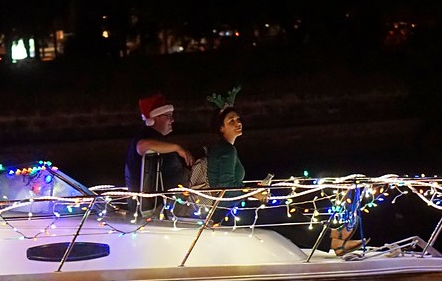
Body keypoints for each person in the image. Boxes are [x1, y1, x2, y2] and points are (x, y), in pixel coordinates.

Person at [204, 103, 363, 255]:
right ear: (221, 128)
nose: (237, 123)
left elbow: (230, 184)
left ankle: (334, 243)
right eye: (231, 121)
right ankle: (334, 235)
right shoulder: (226, 150)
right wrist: (254, 193)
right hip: (226, 214)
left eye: (238, 119)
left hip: (228, 209)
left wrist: (254, 191)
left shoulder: (223, 148)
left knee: (283, 221)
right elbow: (226, 187)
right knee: (282, 212)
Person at [123, 94, 194, 193]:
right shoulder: (146, 135)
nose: (172, 120)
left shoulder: (157, 138)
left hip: (174, 195)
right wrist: (177, 148)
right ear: (154, 118)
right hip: (158, 199)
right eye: (168, 116)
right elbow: (142, 145)